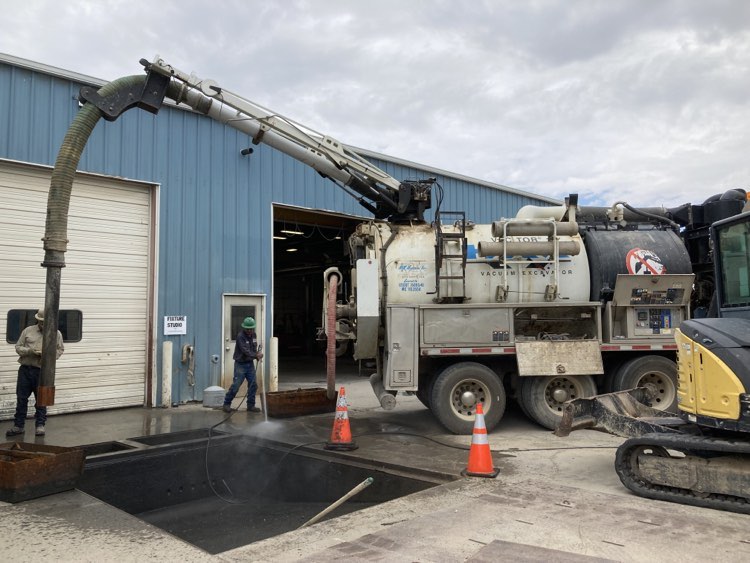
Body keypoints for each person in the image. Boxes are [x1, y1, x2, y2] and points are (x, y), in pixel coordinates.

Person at [6, 308, 64, 437]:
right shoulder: (28, 331)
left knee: (41, 400)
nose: (43, 325)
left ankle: (40, 425)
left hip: (42, 372)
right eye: (41, 322)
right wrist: (30, 352)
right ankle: (18, 426)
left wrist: (49, 355)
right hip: (26, 370)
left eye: (46, 322)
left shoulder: (56, 333)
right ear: (37, 320)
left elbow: (60, 349)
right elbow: (18, 347)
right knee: (21, 399)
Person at [222, 316, 263, 413]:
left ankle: (251, 405)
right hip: (240, 364)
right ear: (244, 328)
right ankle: (226, 404)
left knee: (253, 385)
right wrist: (256, 356)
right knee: (236, 385)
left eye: (251, 329)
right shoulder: (240, 336)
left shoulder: (254, 335)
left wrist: (257, 354)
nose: (249, 331)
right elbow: (245, 350)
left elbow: (253, 348)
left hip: (250, 364)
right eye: (248, 329)